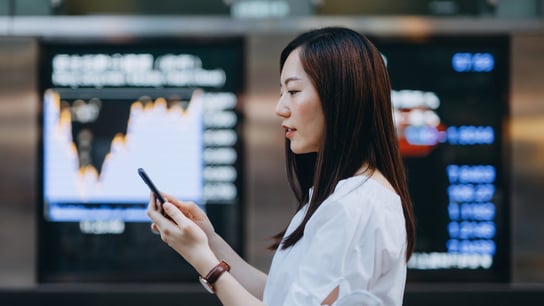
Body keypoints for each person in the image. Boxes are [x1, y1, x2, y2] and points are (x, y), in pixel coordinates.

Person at [147, 26, 416, 306]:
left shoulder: (352, 206)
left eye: (293, 91)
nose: (280, 108)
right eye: (281, 92)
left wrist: (203, 261)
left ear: (341, 97)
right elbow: (281, 296)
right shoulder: (347, 196)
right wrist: (209, 241)